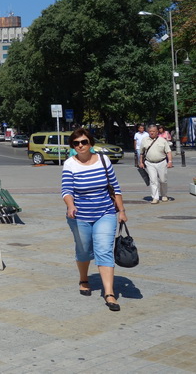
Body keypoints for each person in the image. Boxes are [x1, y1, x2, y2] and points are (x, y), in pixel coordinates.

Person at [62, 127, 126, 312]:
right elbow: (67, 190)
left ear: (91, 143)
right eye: (76, 143)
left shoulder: (104, 160)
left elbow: (115, 186)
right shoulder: (70, 164)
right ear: (72, 145)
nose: (80, 145)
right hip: (80, 216)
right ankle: (84, 279)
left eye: (84, 142)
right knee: (83, 250)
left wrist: (121, 210)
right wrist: (71, 205)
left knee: (104, 249)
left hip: (105, 213)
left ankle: (109, 293)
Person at [139, 124, 173, 204]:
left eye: (153, 131)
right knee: (153, 180)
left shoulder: (162, 140)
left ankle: (164, 195)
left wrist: (170, 161)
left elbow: (168, 152)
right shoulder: (144, 140)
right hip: (150, 163)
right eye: (150, 131)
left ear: (157, 132)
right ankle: (155, 197)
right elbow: (141, 153)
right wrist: (141, 162)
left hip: (161, 162)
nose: (152, 133)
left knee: (163, 180)